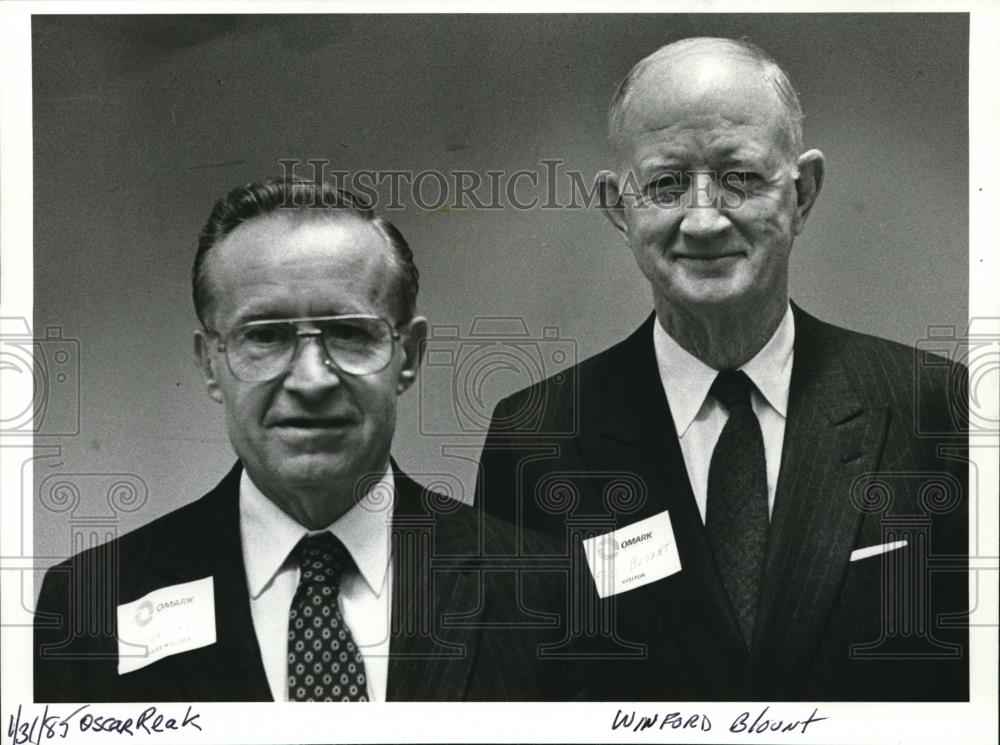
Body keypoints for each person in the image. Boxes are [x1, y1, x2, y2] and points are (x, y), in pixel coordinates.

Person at [476, 37, 968, 701]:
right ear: (618, 207)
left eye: (740, 177)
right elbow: (518, 701)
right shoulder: (538, 438)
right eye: (666, 183)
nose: (704, 220)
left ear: (804, 193)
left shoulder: (932, 409)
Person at [34, 178, 581, 702]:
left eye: (349, 333)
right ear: (209, 364)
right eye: (266, 336)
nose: (312, 379)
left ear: (408, 355)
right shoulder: (91, 606)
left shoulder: (548, 589)